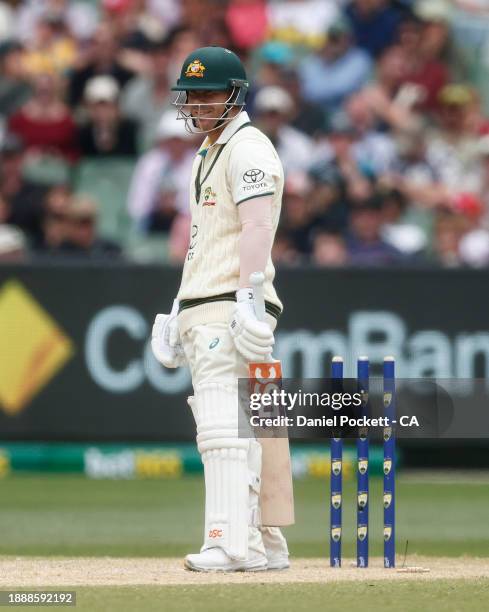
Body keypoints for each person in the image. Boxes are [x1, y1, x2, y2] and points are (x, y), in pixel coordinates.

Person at [150, 46, 290, 572]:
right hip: (204, 303)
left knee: (220, 425)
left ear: (235, 94)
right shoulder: (208, 152)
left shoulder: (249, 147)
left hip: (229, 304)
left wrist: (248, 301)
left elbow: (257, 227)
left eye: (209, 94)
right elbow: (204, 240)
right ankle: (262, 545)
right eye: (193, 94)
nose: (198, 104)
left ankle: (228, 544)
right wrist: (177, 307)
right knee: (242, 425)